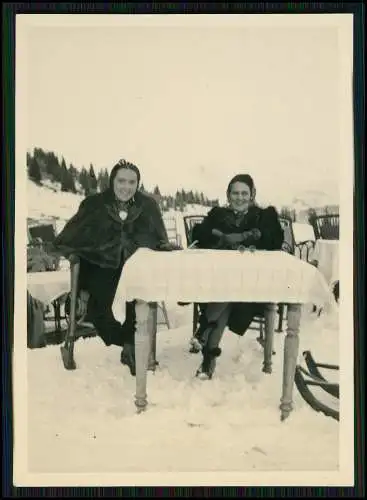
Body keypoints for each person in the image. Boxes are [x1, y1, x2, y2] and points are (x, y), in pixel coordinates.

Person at [52, 159, 178, 376]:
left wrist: (166, 248)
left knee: (136, 304)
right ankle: (127, 344)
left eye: (132, 182)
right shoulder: (94, 204)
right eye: (121, 181)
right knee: (98, 310)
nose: (126, 187)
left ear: (138, 184)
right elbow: (73, 235)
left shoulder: (147, 206)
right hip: (101, 267)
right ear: (112, 181)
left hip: (136, 268)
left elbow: (159, 238)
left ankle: (130, 348)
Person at [190, 174, 284, 380]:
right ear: (228, 195)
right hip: (221, 282)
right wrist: (220, 237)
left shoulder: (263, 215)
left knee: (226, 292)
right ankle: (208, 358)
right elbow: (198, 234)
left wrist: (246, 236)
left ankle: (205, 337)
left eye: (244, 193)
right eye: (235, 193)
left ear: (252, 195)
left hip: (254, 286)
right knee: (226, 290)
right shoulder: (218, 214)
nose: (239, 197)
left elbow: (275, 239)